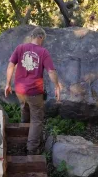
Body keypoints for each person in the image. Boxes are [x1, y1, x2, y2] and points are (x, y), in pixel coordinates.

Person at [4, 26, 61, 154]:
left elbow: (10, 65)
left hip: (19, 90)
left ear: (32, 37)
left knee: (25, 109)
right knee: (36, 119)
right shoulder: (43, 52)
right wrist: (57, 86)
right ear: (40, 37)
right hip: (34, 91)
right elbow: (51, 71)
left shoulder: (20, 48)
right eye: (43, 39)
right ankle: (32, 148)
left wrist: (8, 84)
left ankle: (23, 134)